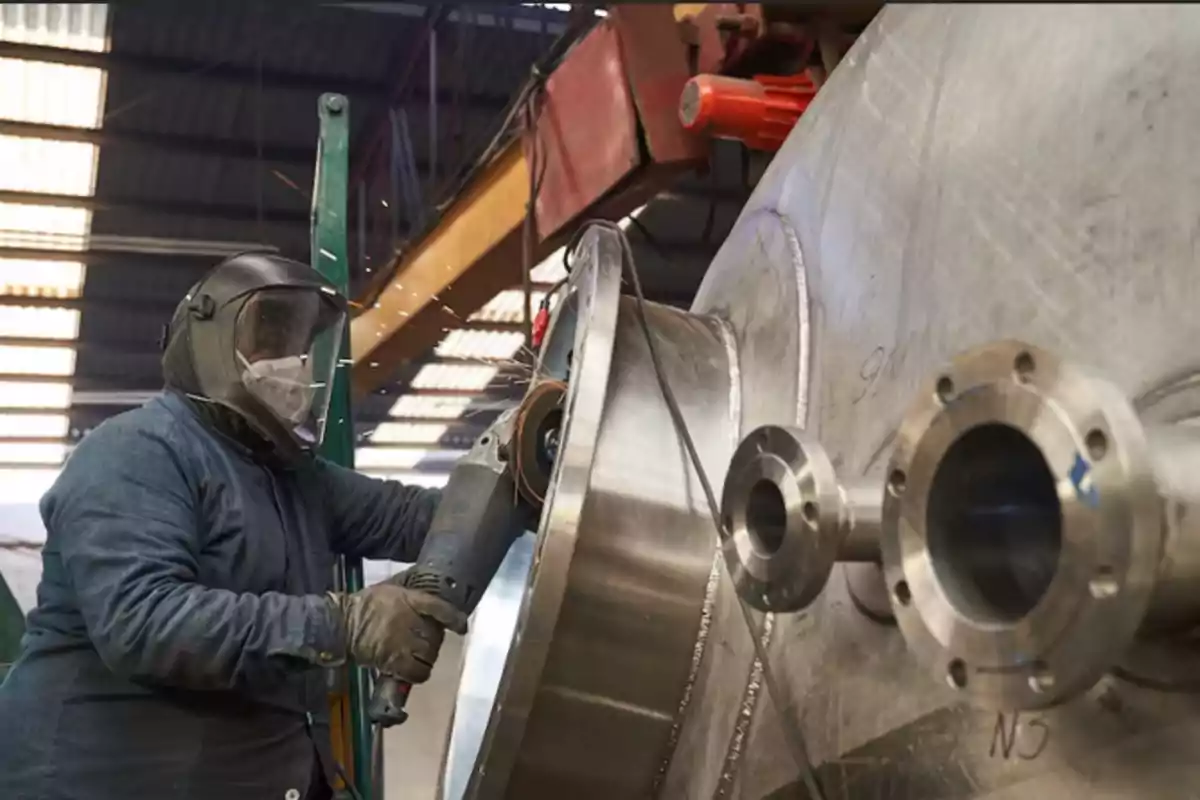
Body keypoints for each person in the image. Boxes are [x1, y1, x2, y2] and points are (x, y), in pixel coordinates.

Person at [0, 253, 468, 800]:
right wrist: (342, 624)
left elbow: (423, 518)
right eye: (267, 342)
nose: (291, 364)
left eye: (299, 347)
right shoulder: (137, 452)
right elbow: (144, 622)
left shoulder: (295, 476)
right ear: (209, 339)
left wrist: (521, 471)